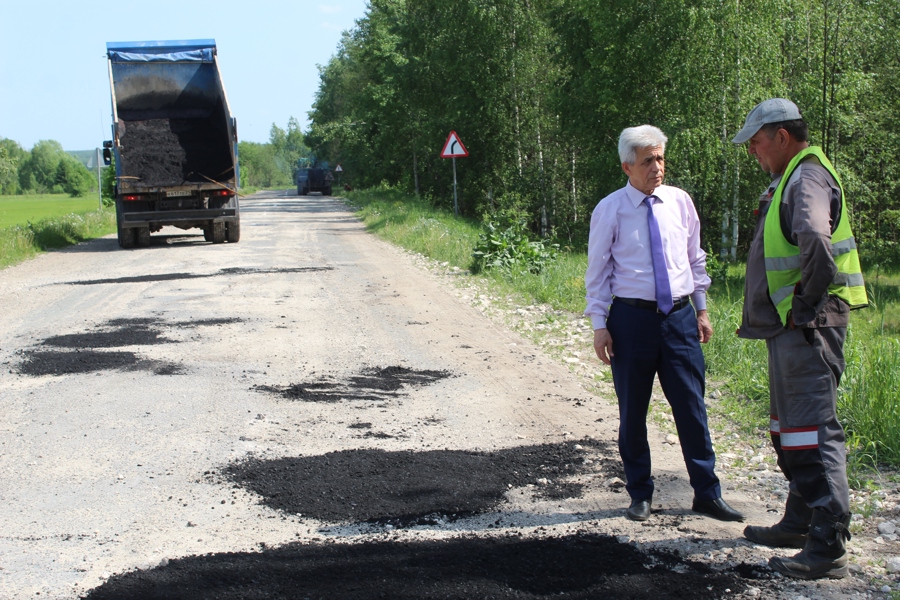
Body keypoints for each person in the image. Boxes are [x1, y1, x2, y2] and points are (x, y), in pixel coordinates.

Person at [731, 98, 867, 579]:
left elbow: (815, 239)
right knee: (790, 426)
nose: (753, 152)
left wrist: (804, 306)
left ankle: (827, 546)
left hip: (807, 327)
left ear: (782, 136)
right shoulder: (793, 176)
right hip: (793, 327)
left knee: (812, 430)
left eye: (757, 142)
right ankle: (799, 520)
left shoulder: (806, 176)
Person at [585, 125, 743, 524]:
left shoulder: (679, 202)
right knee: (633, 410)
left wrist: (702, 310)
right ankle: (640, 493)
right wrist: (599, 324)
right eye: (647, 161)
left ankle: (707, 492)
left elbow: (695, 258)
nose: (657, 167)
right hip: (631, 320)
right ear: (627, 167)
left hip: (679, 317)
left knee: (692, 408)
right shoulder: (610, 209)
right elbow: (598, 272)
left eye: (660, 158)